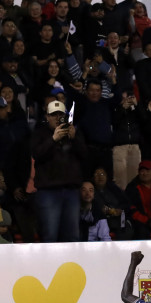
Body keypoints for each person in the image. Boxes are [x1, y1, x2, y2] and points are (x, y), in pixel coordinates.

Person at [30, 100, 86, 243]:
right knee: (50, 235)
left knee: (72, 236)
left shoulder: (73, 132)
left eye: (60, 114)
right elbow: (37, 154)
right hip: (48, 192)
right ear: (47, 116)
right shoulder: (40, 134)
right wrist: (53, 139)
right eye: (53, 115)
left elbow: (85, 155)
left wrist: (74, 139)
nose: (57, 118)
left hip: (71, 191)